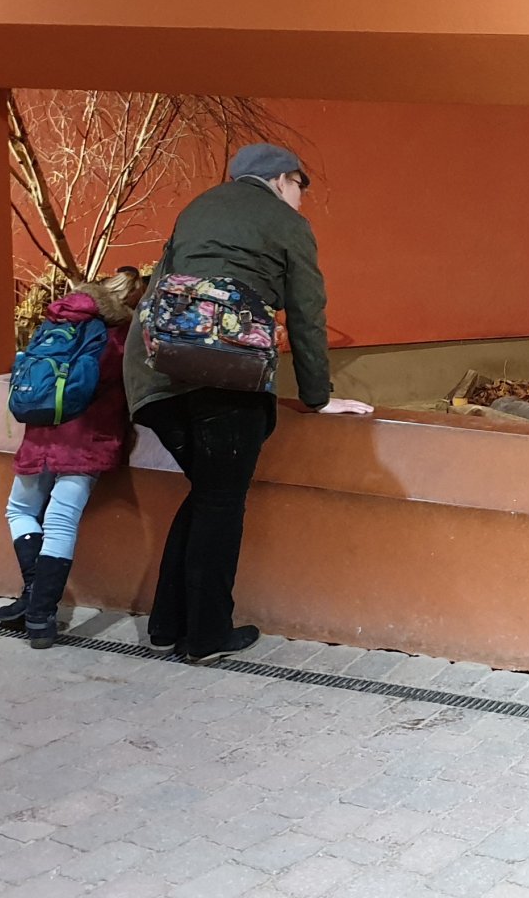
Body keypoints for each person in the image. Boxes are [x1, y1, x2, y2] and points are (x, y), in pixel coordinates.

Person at [126, 142, 373, 662]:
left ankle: (169, 623)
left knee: (207, 493)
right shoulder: (287, 224)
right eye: (301, 185)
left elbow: (163, 287)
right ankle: (207, 636)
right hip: (226, 373)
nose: (301, 196)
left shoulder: (198, 207)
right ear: (283, 180)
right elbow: (307, 312)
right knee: (220, 502)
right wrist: (317, 397)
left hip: (159, 376)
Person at [0, 271, 141, 649]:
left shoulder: (56, 320)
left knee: (19, 511)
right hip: (87, 440)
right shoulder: (119, 335)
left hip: (41, 433)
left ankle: (33, 597)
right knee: (61, 521)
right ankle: (40, 614)